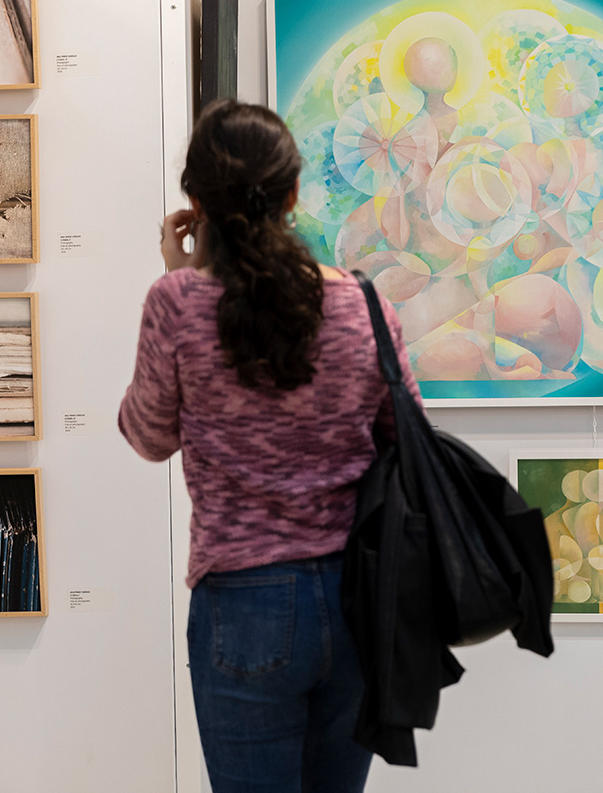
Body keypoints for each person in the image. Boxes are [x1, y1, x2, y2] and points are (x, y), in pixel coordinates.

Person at [119, 100, 420, 793]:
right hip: (355, 594)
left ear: (197, 203)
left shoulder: (177, 302)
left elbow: (148, 437)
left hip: (243, 602)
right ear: (292, 195)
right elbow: (406, 437)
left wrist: (177, 271)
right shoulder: (363, 304)